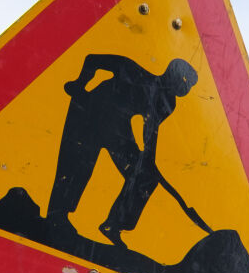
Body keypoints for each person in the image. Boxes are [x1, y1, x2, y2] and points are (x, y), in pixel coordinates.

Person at [45, 56, 198, 244]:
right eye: (184, 82)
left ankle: (113, 225)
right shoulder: (134, 73)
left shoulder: (167, 102)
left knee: (145, 178)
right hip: (89, 111)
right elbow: (92, 59)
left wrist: (148, 160)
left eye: (189, 86)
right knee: (76, 166)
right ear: (170, 74)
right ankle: (57, 217)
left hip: (117, 127)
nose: (185, 89)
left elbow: (151, 130)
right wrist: (80, 84)